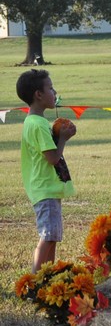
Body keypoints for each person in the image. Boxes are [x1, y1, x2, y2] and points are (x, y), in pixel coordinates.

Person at [16, 69, 77, 272]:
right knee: (47, 236)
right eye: (50, 87)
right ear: (38, 95)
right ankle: (35, 279)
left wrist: (59, 132)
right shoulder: (38, 125)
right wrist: (62, 139)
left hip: (46, 189)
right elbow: (52, 158)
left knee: (52, 237)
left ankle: (47, 277)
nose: (54, 91)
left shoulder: (35, 122)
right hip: (45, 189)